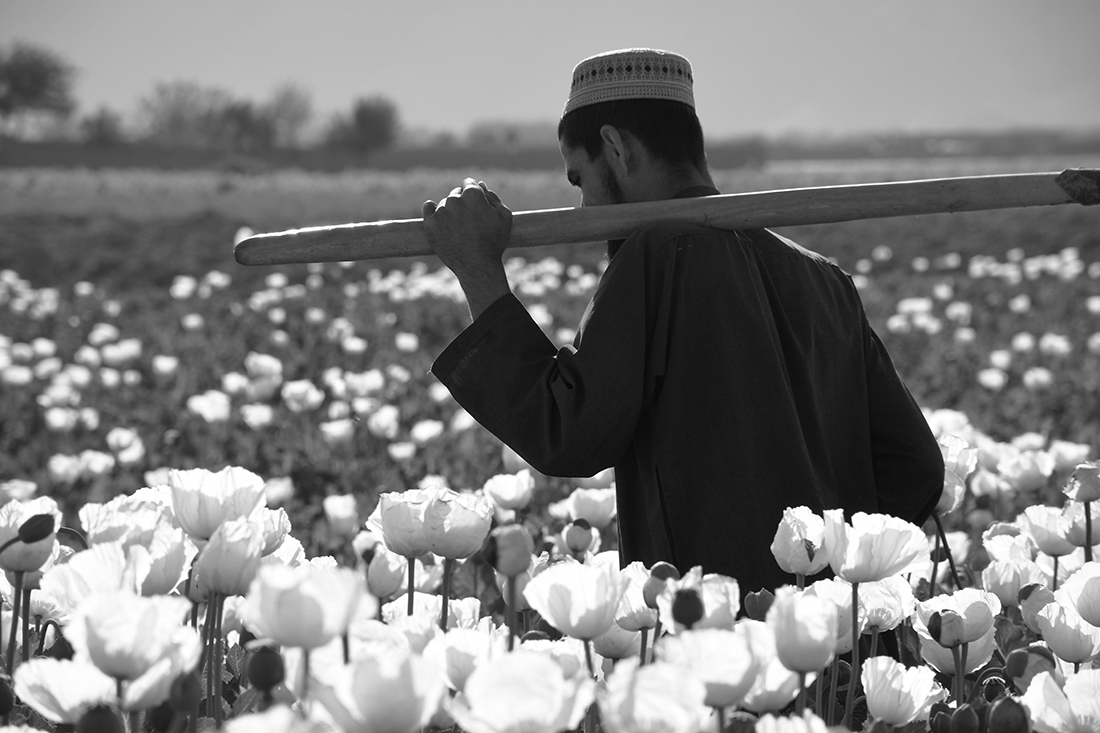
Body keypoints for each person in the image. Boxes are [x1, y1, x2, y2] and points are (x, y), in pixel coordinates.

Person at [421, 48, 943, 597]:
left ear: (617, 150)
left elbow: (569, 432)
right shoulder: (822, 278)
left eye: (580, 179)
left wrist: (479, 273)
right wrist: (839, 579)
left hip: (716, 630)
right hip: (840, 647)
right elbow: (916, 469)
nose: (581, 210)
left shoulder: (657, 256)